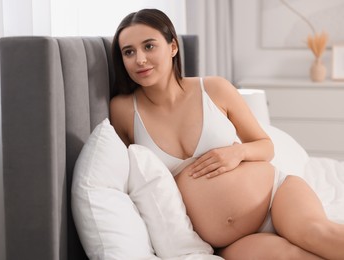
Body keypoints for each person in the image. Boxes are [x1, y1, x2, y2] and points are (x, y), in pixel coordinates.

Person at [109, 8, 344, 260]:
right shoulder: (123, 110)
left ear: (173, 47)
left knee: (318, 233)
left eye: (149, 46)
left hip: (276, 196)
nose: (140, 59)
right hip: (232, 240)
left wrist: (237, 152)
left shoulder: (214, 88)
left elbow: (266, 146)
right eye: (129, 52)